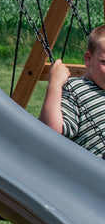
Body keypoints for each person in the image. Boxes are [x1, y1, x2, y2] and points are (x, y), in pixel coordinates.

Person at [38, 26, 105, 158]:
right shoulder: (76, 89)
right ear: (88, 59)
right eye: (104, 61)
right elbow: (51, 131)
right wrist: (55, 84)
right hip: (91, 173)